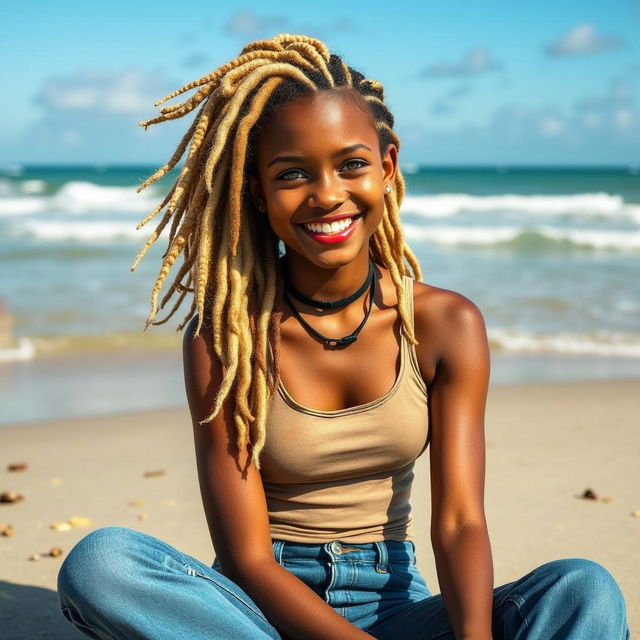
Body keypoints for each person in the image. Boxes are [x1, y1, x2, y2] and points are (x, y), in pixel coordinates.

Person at [57, 34, 630, 640]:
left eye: (351, 164)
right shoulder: (224, 337)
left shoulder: (445, 325)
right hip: (257, 614)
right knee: (103, 564)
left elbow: (460, 522)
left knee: (581, 590)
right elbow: (248, 558)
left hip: (395, 606)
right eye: (292, 173)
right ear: (256, 190)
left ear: (386, 166)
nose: (327, 194)